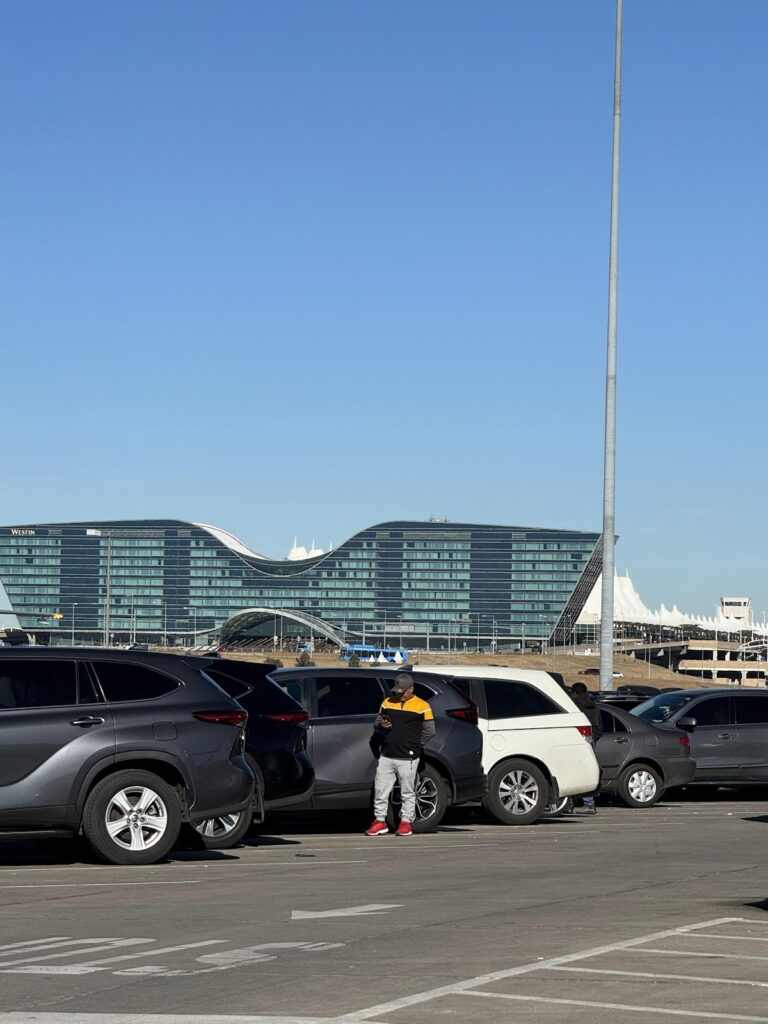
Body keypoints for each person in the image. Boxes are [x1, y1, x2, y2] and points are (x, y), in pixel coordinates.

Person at [365, 672, 435, 837]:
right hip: (387, 754)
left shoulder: (422, 705)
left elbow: (430, 731)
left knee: (407, 791)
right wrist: (382, 725)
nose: (399, 694)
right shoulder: (387, 702)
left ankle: (405, 823)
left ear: (411, 689)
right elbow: (377, 724)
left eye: (402, 691)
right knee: (380, 789)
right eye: (397, 690)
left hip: (408, 757)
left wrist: (416, 746)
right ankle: (380, 821)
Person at [569, 681, 603, 815]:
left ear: (575, 693)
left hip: (578, 740)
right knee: (588, 769)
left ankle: (570, 804)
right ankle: (589, 803)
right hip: (591, 739)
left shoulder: (574, 705)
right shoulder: (594, 705)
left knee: (572, 770)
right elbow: (600, 725)